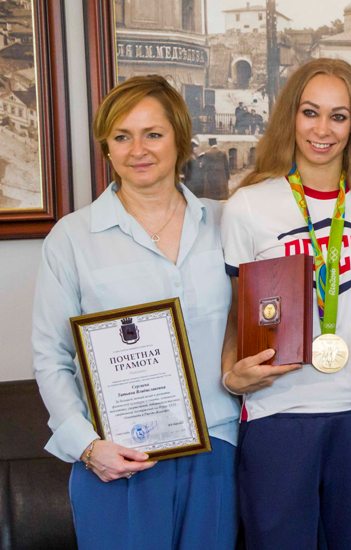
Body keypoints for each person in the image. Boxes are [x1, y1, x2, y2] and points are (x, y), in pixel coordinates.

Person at [31, 75, 241, 548]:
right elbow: (51, 356)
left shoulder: (226, 223)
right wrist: (86, 445)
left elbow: (264, 316)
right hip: (116, 461)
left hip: (215, 449)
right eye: (122, 136)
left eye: (153, 134)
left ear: (180, 139)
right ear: (106, 147)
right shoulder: (73, 237)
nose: (137, 150)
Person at [220, 58, 351, 549]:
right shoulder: (249, 203)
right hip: (277, 410)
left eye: (338, 115)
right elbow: (234, 316)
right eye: (310, 112)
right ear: (291, 116)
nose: (322, 129)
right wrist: (231, 374)